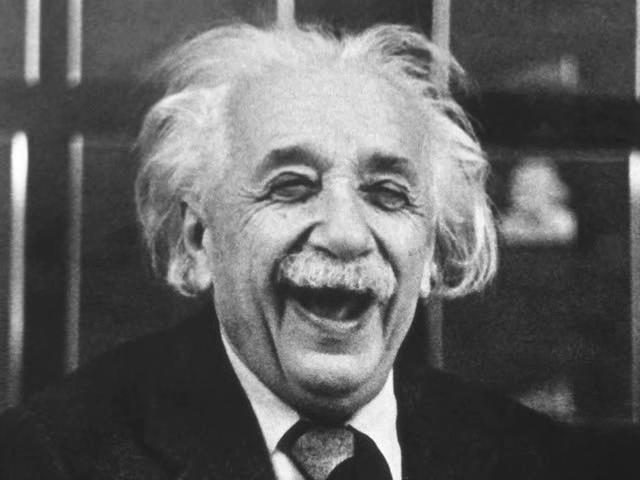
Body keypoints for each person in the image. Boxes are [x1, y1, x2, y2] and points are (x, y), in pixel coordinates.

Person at [0, 22, 637, 480]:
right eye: (291, 186)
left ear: (431, 252)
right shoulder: (49, 459)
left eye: (388, 194)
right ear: (198, 240)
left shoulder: (541, 461)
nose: (346, 234)